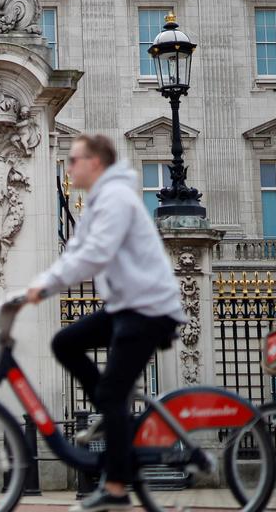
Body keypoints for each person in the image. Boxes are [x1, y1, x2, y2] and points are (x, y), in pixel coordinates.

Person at [26, 134, 185, 511]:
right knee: (64, 342)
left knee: (113, 395)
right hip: (125, 307)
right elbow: (76, 251)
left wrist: (43, 287)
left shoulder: (116, 198)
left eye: (74, 160)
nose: (68, 167)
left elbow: (96, 254)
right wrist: (26, 292)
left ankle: (115, 488)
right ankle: (108, 413)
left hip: (149, 310)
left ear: (95, 163)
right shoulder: (98, 201)